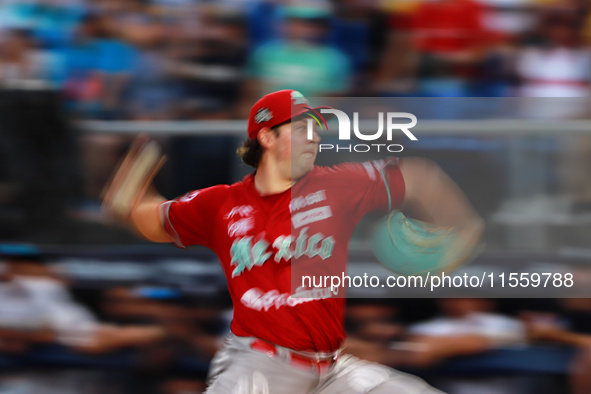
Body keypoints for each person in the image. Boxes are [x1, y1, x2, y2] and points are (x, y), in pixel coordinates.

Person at [106, 89, 483, 393]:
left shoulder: (337, 184)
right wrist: (129, 198)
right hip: (261, 366)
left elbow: (420, 176)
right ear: (267, 136)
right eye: (301, 127)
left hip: (332, 370)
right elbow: (154, 219)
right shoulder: (220, 203)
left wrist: (464, 229)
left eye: (317, 128)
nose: (315, 135)